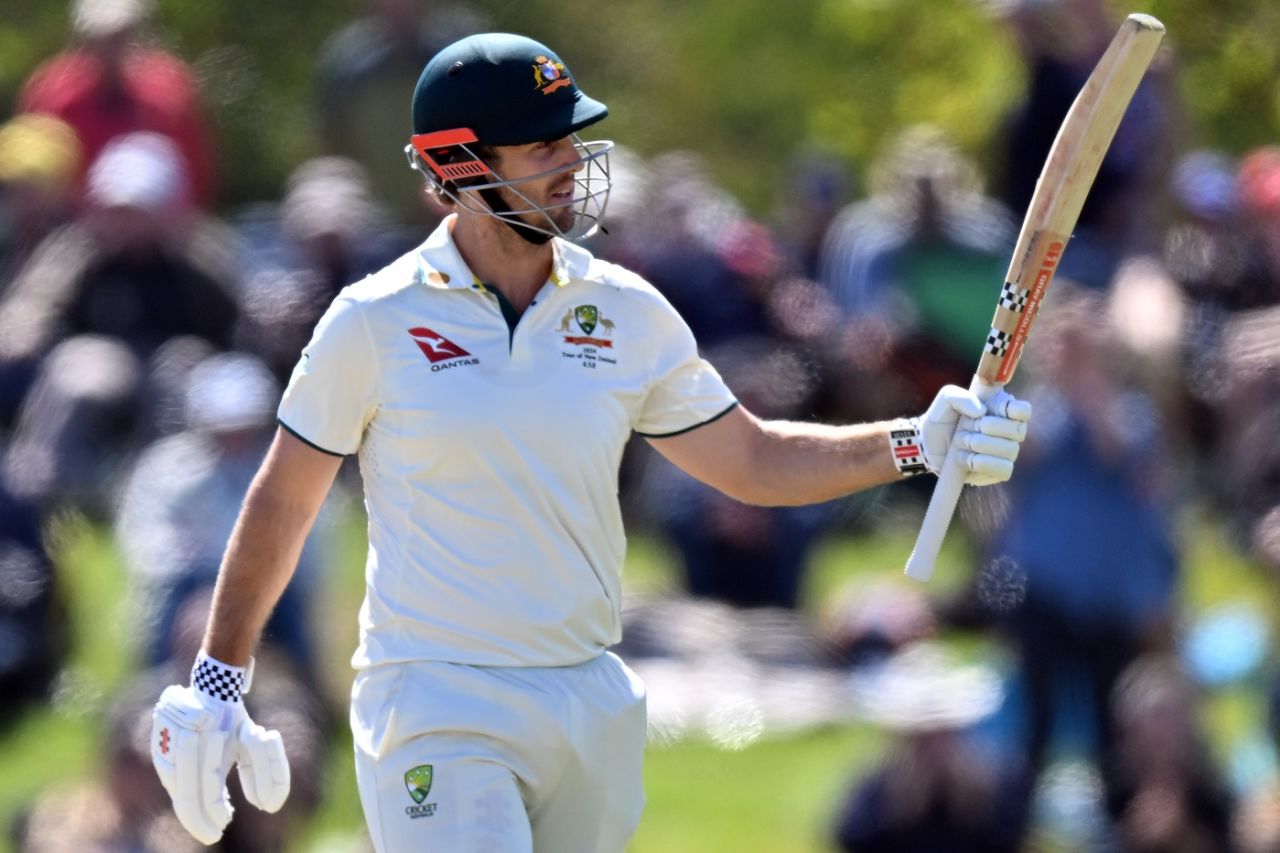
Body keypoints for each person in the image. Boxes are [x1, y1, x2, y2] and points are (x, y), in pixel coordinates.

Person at [149, 33, 1033, 852]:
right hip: (436, 695)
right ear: (459, 165)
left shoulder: (627, 310)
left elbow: (752, 459)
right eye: (543, 148)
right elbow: (285, 496)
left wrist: (918, 441)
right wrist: (219, 681)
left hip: (585, 693)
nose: (573, 165)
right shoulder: (373, 321)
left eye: (572, 143)